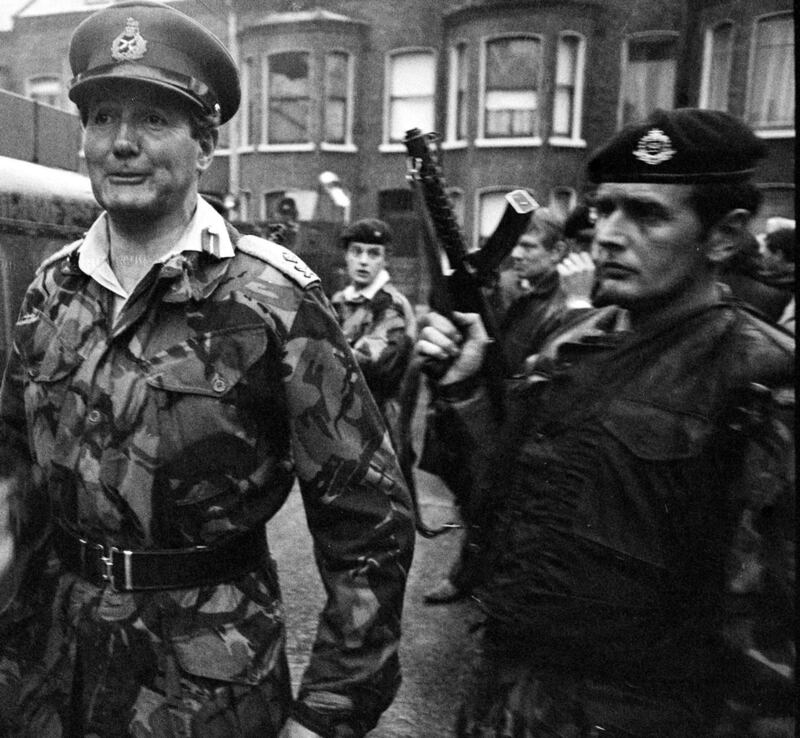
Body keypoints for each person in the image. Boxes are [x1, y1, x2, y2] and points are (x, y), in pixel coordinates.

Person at [0, 3, 414, 737]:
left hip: (206, 679)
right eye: (101, 118)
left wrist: (328, 712)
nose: (121, 143)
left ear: (206, 144)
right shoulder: (52, 288)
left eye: (154, 120)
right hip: (55, 665)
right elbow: (13, 469)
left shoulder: (272, 300)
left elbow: (367, 518)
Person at [416, 108, 794, 736]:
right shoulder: (570, 342)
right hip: (510, 697)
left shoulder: (759, 379)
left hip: (643, 713)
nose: (608, 235)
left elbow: (777, 639)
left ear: (723, 238)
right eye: (605, 210)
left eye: (647, 214)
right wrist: (464, 395)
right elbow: (503, 502)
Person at [422, 208, 593, 604]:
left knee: (500, 506)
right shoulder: (522, 289)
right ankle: (470, 574)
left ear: (559, 252)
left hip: (523, 415)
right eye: (514, 245)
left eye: (528, 246)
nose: (516, 254)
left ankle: (480, 579)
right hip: (496, 407)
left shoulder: (563, 304)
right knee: (475, 498)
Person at [330, 218, 417, 450]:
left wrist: (325, 349)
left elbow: (378, 363)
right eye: (356, 252)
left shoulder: (390, 304)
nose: (363, 262)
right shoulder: (339, 301)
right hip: (344, 418)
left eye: (373, 254)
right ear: (346, 255)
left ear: (386, 260)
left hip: (381, 421)